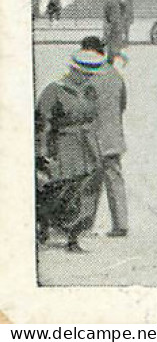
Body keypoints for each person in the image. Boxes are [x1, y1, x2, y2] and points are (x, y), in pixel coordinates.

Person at [35, 48, 106, 252]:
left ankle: (74, 238)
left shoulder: (90, 91)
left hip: (86, 147)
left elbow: (93, 118)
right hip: (62, 147)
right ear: (74, 70)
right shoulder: (54, 90)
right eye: (86, 73)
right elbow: (43, 124)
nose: (89, 77)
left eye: (91, 74)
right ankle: (44, 228)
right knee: (57, 190)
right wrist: (42, 152)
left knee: (84, 192)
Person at [78, 37, 129, 237]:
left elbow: (80, 109)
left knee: (90, 182)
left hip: (92, 137)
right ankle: (121, 224)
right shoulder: (115, 75)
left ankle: (84, 225)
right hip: (114, 137)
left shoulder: (87, 78)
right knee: (115, 179)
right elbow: (123, 104)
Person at [102, 0, 130, 64]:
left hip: (113, 26)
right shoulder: (115, 1)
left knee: (111, 45)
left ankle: (112, 61)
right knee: (112, 45)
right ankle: (111, 60)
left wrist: (109, 27)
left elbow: (113, 16)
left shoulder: (112, 2)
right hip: (115, 26)